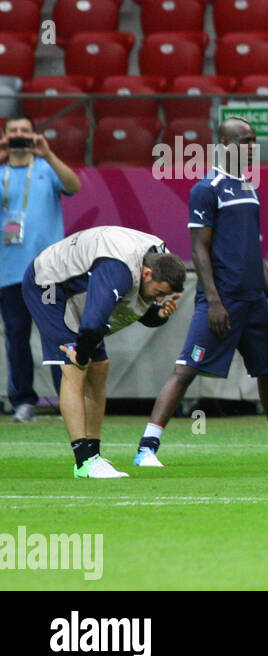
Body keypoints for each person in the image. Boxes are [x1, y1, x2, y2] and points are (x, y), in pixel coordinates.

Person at [135, 117, 268, 468]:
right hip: (223, 301)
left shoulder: (250, 188)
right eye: (245, 141)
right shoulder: (207, 188)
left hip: (254, 301)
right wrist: (215, 301)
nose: (252, 147)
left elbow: (254, 252)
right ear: (224, 145)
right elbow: (199, 250)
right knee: (187, 369)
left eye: (253, 141)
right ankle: (147, 447)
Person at [21, 226, 186, 478]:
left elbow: (132, 306)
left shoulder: (158, 259)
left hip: (76, 289)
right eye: (160, 294)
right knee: (75, 368)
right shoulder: (117, 269)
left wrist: (157, 315)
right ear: (148, 273)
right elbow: (93, 324)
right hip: (48, 287)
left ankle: (94, 455)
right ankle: (84, 461)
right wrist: (81, 354)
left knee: (100, 368)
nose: (159, 299)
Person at [0, 116, 82, 423]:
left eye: (24, 131)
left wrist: (47, 153)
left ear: (34, 134)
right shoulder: (2, 172)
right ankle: (23, 401)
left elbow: (75, 185)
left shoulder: (47, 170)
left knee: (57, 335)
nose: (20, 136)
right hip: (9, 273)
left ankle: (67, 400)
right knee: (16, 336)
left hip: (49, 273)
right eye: (13, 132)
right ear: (5, 136)